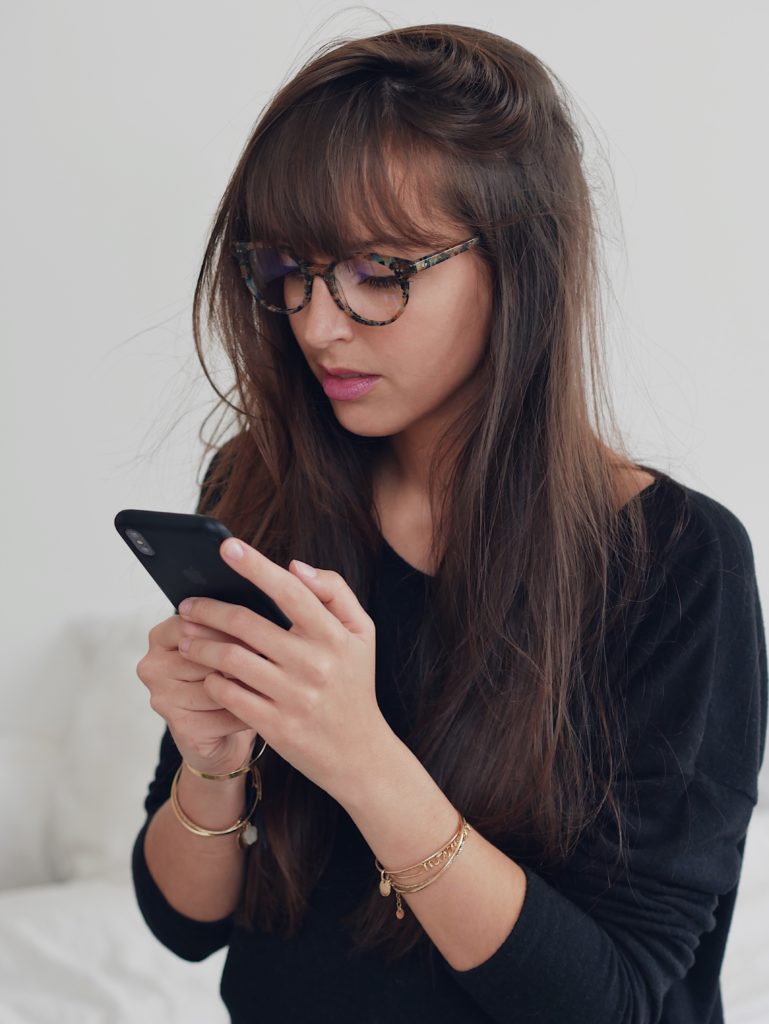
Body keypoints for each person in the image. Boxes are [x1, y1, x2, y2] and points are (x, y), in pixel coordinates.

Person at [130, 22, 767, 1024]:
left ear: (520, 267)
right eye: (284, 269)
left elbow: (611, 1002)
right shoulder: (259, 488)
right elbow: (185, 922)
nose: (315, 322)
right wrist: (212, 763)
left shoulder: (678, 563)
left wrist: (362, 757)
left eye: (379, 270)